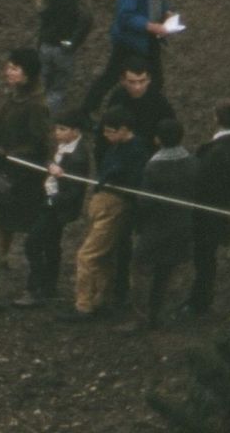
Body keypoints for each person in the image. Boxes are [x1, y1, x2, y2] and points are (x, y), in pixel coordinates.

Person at [0, 48, 51, 261]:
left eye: (14, 68)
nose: (8, 72)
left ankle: (1, 256)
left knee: (6, 215)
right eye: (9, 67)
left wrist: (12, 153)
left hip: (18, 166)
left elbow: (39, 141)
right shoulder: (15, 95)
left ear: (28, 73)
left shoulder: (36, 105)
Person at [66, 110, 149, 322]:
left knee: (88, 255)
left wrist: (111, 177)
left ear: (124, 130)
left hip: (114, 205)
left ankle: (83, 305)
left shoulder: (135, 151)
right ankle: (100, 299)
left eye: (111, 132)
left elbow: (129, 178)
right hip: (104, 203)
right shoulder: (118, 146)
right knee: (103, 257)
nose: (106, 136)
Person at [19, 115, 91, 307]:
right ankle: (48, 287)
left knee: (33, 243)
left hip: (56, 207)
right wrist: (49, 165)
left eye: (62, 129)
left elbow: (74, 191)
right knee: (51, 245)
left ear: (75, 131)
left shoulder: (78, 157)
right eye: (57, 128)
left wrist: (51, 202)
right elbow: (48, 161)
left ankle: (36, 288)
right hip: (48, 201)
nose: (57, 133)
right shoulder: (62, 147)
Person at [135, 114, 200, 327]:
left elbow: (145, 203)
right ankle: (160, 312)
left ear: (157, 139)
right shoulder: (192, 162)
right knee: (167, 270)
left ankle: (144, 316)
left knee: (142, 268)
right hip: (182, 223)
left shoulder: (153, 167)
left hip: (156, 227)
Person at [105, 0, 178, 96]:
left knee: (155, 79)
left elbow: (159, 1)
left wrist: (167, 12)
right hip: (130, 41)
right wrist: (152, 26)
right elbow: (125, 17)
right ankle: (87, 108)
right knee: (111, 76)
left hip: (148, 38)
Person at [190, 97, 230, 316]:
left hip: (207, 213)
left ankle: (199, 302)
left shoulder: (216, 152)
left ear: (216, 118)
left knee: (204, 258)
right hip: (221, 210)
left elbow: (202, 183)